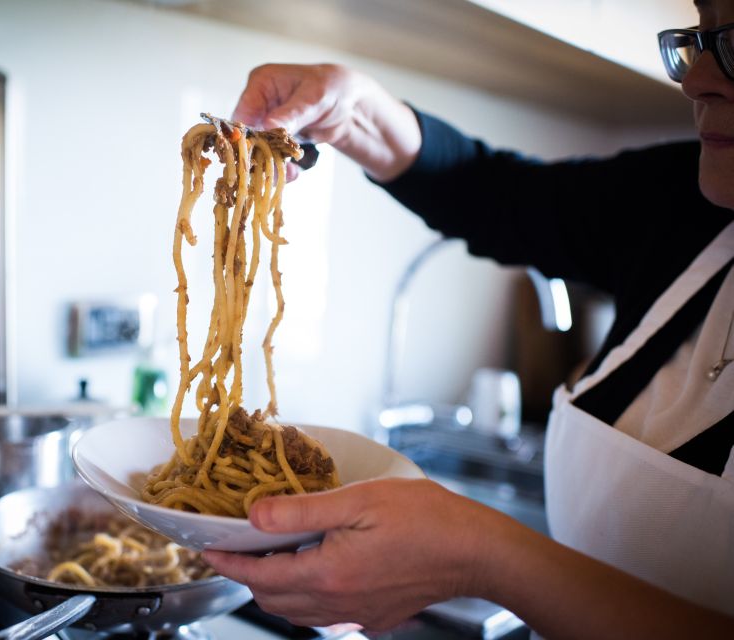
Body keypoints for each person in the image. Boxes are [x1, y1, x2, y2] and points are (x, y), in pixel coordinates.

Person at [202, 1, 734, 637]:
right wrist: (356, 111)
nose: (695, 75)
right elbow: (498, 195)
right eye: (698, 35)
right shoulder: (683, 196)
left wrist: (484, 558)